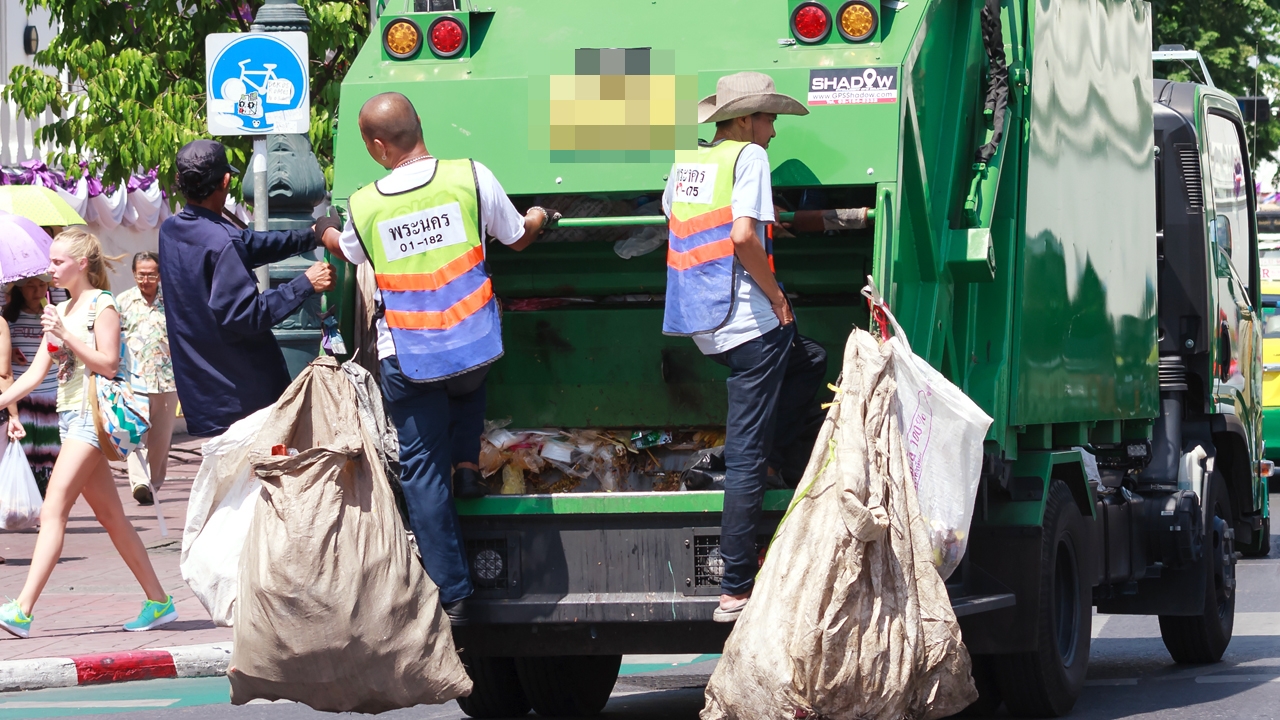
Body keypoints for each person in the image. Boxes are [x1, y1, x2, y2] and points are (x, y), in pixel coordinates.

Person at [318, 92, 554, 624]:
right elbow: (517, 236)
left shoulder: (366, 203)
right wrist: (542, 213)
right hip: (475, 346)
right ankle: (468, 467)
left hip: (410, 353)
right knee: (467, 384)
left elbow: (350, 252)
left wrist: (323, 229)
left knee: (422, 468)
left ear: (378, 146)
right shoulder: (469, 175)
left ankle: (454, 592)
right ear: (420, 126)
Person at [661, 72, 828, 622]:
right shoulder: (748, 159)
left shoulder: (689, 162)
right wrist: (778, 297)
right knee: (749, 453)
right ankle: (734, 586)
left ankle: (766, 457)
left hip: (704, 321)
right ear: (743, 120)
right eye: (769, 117)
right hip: (751, 321)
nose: (774, 130)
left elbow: (676, 215)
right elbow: (741, 236)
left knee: (812, 362)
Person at [0, 228, 177, 637]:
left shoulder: (103, 305)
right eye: (50, 262)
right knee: (111, 516)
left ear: (82, 263)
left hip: (91, 420)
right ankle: (159, 601)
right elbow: (34, 375)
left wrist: (66, 338)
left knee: (52, 510)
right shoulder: (58, 311)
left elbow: (109, 363)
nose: (51, 269)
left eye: (58, 262)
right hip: (70, 418)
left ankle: (22, 611)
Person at [159, 140, 338, 438]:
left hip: (203, 391)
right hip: (241, 396)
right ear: (226, 181)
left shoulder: (171, 230)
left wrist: (310, 236)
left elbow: (248, 245)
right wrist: (305, 283)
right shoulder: (222, 242)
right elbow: (248, 316)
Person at [117, 252, 176, 506]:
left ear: (159, 275)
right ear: (134, 274)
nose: (146, 279)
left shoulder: (173, 301)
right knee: (133, 433)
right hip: (134, 380)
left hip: (167, 380)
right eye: (141, 274)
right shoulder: (123, 302)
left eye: (151, 274)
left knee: (160, 441)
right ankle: (140, 482)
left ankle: (153, 484)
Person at [3, 276, 60, 496]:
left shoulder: (53, 316)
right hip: (20, 396)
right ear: (18, 289)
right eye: (30, 286)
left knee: (49, 450)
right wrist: (11, 351)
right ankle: (24, 498)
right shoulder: (8, 317)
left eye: (42, 285)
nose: (37, 291)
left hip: (50, 393)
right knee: (23, 448)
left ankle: (45, 499)